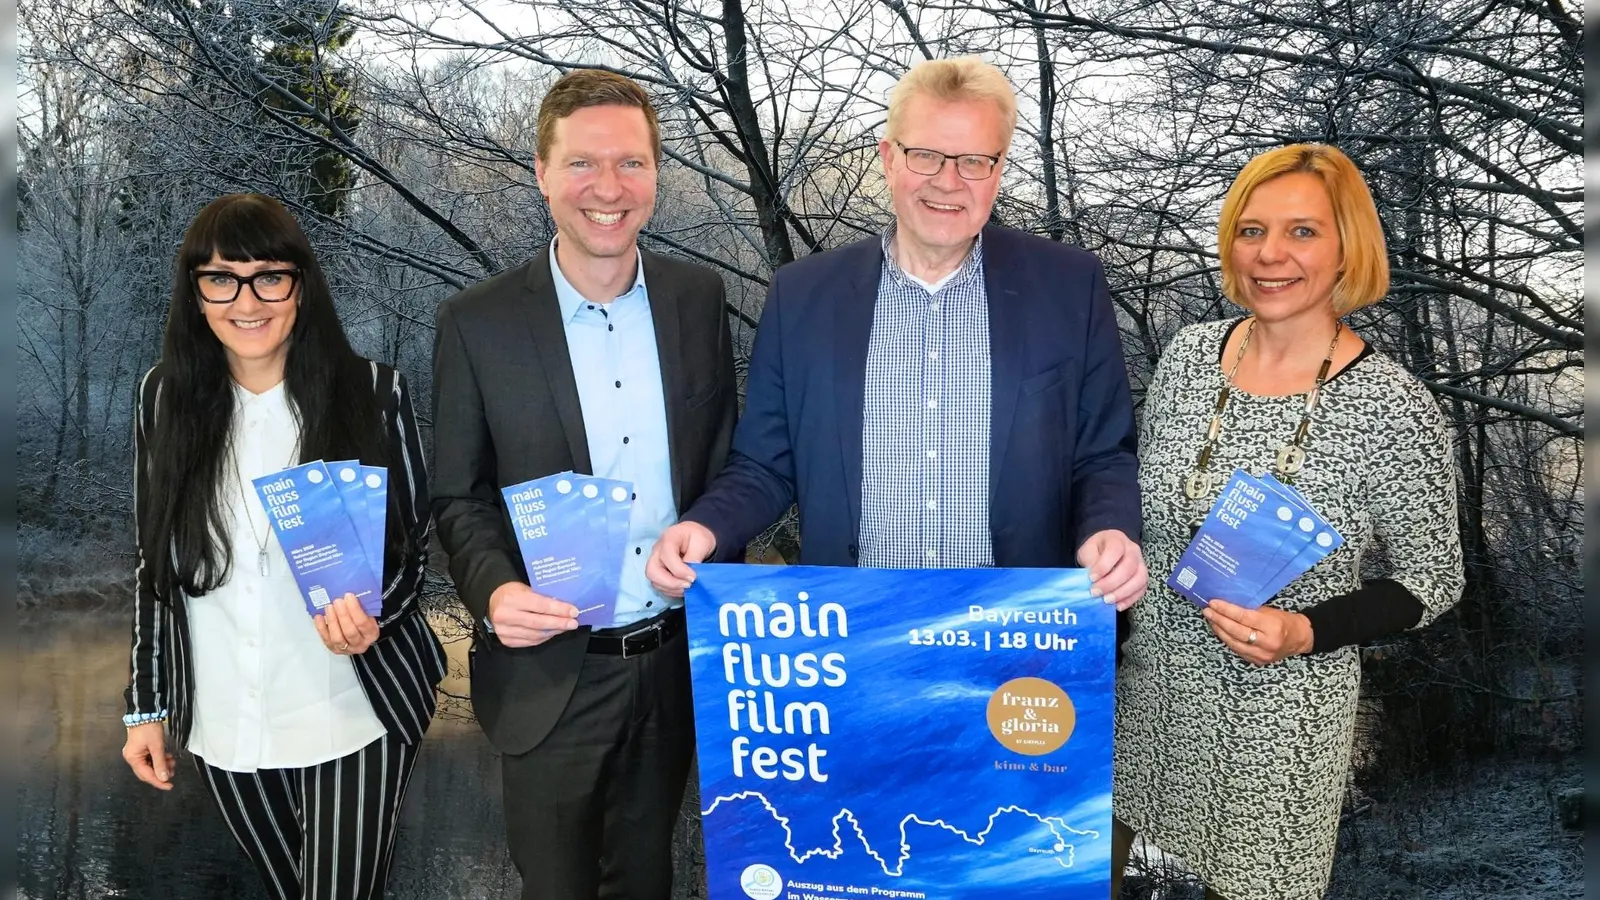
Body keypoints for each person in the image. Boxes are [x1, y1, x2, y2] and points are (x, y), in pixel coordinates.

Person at [647, 56, 1145, 607]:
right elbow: (766, 462)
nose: (948, 182)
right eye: (926, 155)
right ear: (889, 158)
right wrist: (707, 528)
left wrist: (1111, 530)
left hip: (1016, 627)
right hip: (861, 630)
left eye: (974, 161)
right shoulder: (804, 296)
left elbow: (1103, 455)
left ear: (999, 170)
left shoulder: (1068, 286)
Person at [1110, 144, 1465, 900]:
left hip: (1274, 741)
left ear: (1348, 248)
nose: (1270, 254)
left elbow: (1433, 579)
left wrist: (1307, 630)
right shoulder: (1188, 358)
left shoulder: (1394, 408)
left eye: (1302, 231)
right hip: (1144, 714)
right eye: (1251, 230)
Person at [430, 69, 737, 900]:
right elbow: (456, 496)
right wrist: (493, 592)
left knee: (648, 885)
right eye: (583, 164)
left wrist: (710, 531)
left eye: (632, 164)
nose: (609, 188)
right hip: (550, 673)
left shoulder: (698, 300)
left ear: (657, 174)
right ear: (540, 172)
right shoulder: (477, 322)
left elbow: (725, 467)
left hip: (677, 664)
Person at [121, 193, 445, 900]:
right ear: (195, 293)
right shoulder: (163, 400)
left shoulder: (372, 393)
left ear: (301, 285)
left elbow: (413, 548)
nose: (247, 300)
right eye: (221, 279)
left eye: (269, 276)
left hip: (354, 705)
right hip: (224, 714)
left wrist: (373, 613)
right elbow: (155, 566)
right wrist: (145, 706)